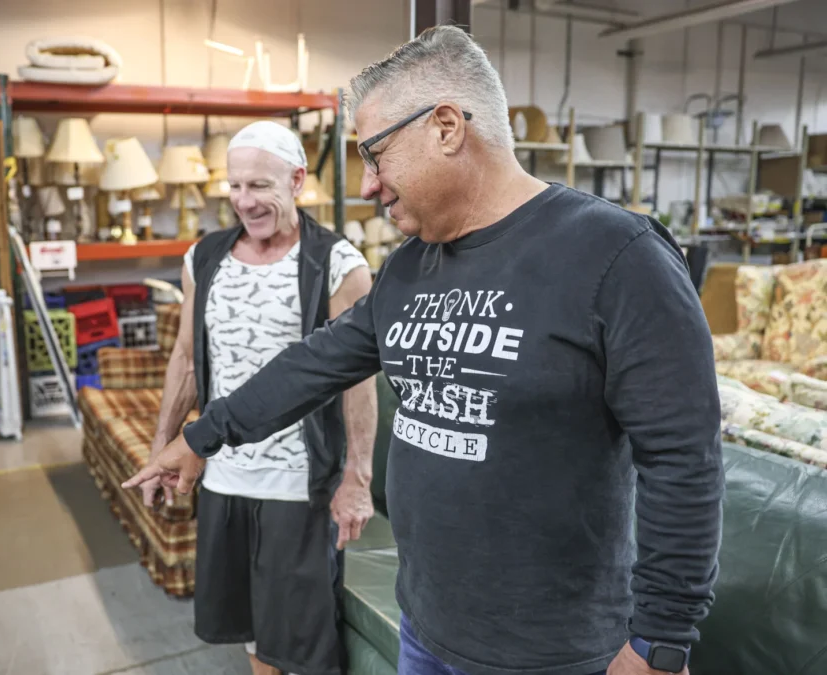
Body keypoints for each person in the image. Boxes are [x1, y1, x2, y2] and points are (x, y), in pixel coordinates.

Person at [125, 26, 724, 675]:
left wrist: (660, 642)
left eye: (375, 155)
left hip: (553, 652)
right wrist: (200, 435)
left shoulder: (615, 255)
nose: (366, 184)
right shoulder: (412, 267)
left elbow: (684, 459)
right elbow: (314, 363)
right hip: (427, 627)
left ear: (445, 127)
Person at [124, 120, 377, 675]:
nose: (244, 200)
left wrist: (357, 479)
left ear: (297, 180)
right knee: (256, 637)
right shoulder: (205, 258)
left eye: (259, 186)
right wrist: (162, 448)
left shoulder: (337, 264)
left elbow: (359, 379)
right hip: (223, 477)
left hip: (298, 486)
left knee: (304, 646)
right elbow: (187, 358)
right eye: (234, 186)